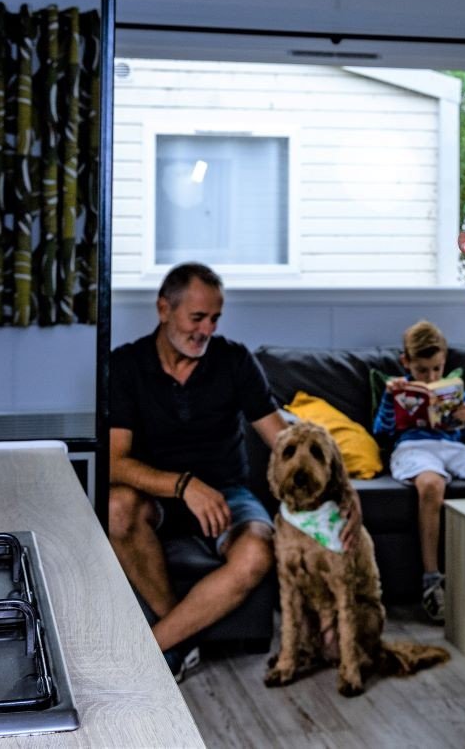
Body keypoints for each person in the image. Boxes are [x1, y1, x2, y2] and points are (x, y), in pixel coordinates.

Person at [107, 262, 287, 681]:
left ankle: (155, 648)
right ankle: (181, 638)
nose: (205, 330)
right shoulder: (127, 365)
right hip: (158, 496)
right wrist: (183, 485)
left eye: (214, 319)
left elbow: (284, 441)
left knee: (258, 550)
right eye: (197, 317)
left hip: (228, 494)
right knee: (117, 505)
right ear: (163, 309)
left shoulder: (236, 360)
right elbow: (115, 461)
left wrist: (340, 493)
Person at [372, 319, 465, 622]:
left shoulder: (455, 390)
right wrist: (394, 401)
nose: (430, 377)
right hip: (413, 449)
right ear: (407, 362)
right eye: (422, 370)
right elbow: (382, 435)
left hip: (454, 448)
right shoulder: (398, 390)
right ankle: (432, 580)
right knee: (431, 485)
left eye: (436, 369)